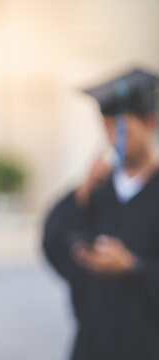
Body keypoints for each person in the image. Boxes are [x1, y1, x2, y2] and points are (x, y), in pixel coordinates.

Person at [43, 69, 159, 360]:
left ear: (150, 123)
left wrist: (132, 267)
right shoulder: (97, 190)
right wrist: (82, 193)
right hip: (93, 344)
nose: (113, 139)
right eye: (106, 128)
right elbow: (53, 243)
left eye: (122, 130)